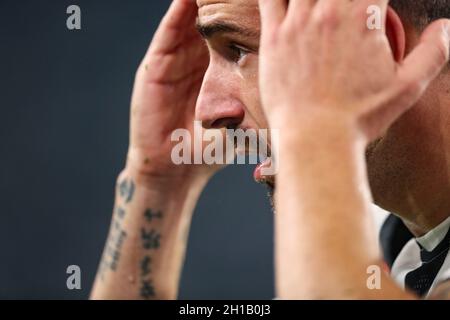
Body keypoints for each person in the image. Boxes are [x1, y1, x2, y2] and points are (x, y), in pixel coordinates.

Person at [90, 0, 450, 299]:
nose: (206, 111)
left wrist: (317, 131)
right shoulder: (359, 237)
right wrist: (157, 183)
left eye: (239, 49)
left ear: (376, 46)